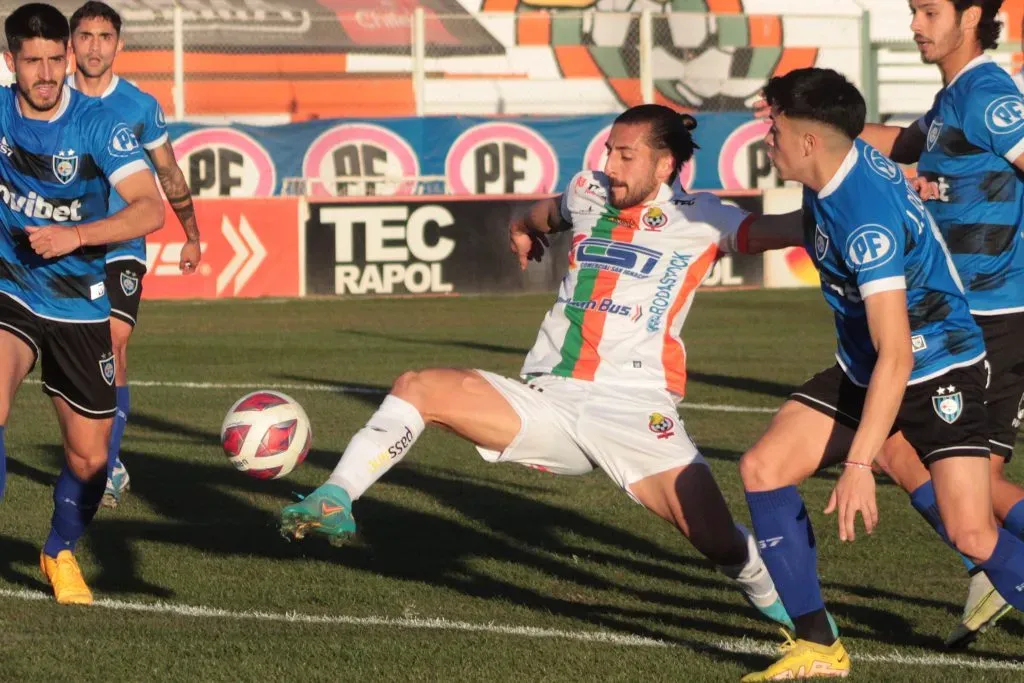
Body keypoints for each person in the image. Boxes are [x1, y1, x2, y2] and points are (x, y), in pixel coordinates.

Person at [279, 103, 806, 627]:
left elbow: (781, 230)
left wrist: (855, 200)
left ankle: (775, 598)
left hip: (633, 407)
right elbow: (544, 213)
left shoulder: (701, 217)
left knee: (717, 541)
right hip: (548, 400)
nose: (612, 166)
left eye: (627, 155)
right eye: (608, 151)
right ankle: (336, 496)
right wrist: (521, 227)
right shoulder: (588, 192)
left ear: (665, 165)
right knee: (418, 386)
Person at [738, 66, 1024, 681]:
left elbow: (897, 352)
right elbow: (809, 230)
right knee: (763, 469)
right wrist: (720, 233)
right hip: (871, 368)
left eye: (774, 126)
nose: (768, 137)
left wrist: (860, 464)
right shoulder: (831, 173)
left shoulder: (864, 214)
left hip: (936, 369)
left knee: (973, 533)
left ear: (809, 139)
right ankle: (819, 646)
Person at [857, 0, 1024, 646]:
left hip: (992, 320)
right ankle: (986, 565)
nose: (916, 24)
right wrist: (818, 125)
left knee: (949, 473)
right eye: (913, 11)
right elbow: (901, 143)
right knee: (910, 452)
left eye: (928, 11)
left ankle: (986, 562)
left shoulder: (988, 94)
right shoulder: (954, 98)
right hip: (966, 319)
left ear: (972, 14)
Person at [0, 3, 164, 604]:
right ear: (11, 60)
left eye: (54, 60)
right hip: (10, 286)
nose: (45, 73)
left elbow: (150, 207)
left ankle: (57, 550)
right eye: (31, 61)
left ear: (67, 59)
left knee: (90, 459)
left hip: (79, 302)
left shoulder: (98, 125)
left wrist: (78, 235)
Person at [68, 0, 202, 508]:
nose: (95, 46)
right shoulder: (52, 99)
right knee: (78, 356)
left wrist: (191, 232)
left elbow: (167, 175)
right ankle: (89, 444)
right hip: (66, 242)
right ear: (70, 44)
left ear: (119, 45)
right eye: (85, 36)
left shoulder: (141, 107)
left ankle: (108, 465)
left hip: (122, 243)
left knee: (114, 340)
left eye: (105, 36)